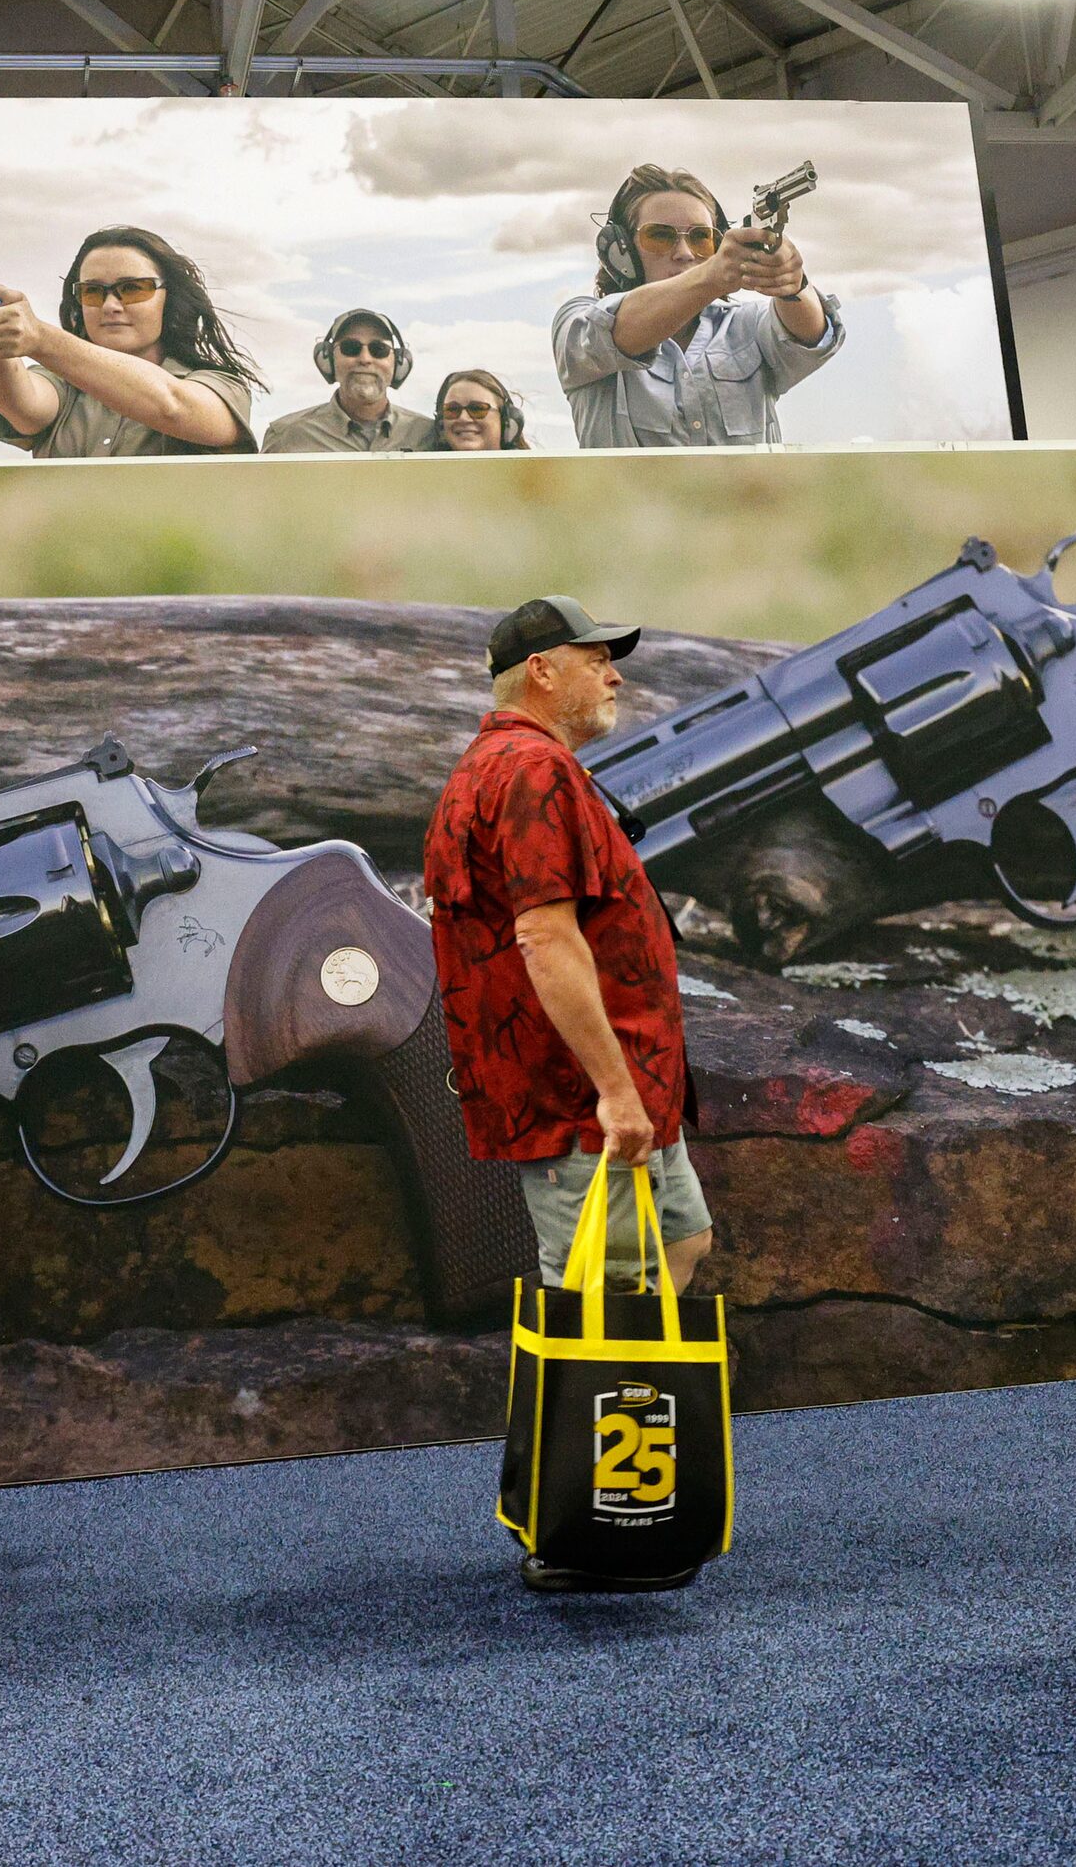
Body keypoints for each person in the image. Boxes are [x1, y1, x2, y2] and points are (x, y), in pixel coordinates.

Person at [421, 596, 715, 1592]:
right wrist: (614, 1092)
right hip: (588, 1102)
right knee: (607, 1299)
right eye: (599, 659)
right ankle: (594, 1529)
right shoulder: (534, 772)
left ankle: (608, 1482)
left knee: (676, 1248)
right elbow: (546, 939)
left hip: (601, 1097)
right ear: (544, 670)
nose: (616, 677)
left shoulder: (495, 767)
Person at [552, 163, 841, 449]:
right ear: (621, 249)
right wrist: (712, 276)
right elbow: (614, 332)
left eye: (701, 238)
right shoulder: (576, 321)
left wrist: (792, 282)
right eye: (660, 236)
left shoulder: (745, 326)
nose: (685, 253)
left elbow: (812, 337)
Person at [0, 225, 262, 459]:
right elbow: (20, 406)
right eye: (93, 291)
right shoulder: (61, 384)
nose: (110, 305)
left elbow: (173, 406)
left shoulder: (220, 385)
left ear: (169, 299)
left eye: (133, 289)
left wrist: (40, 337)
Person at [262, 309, 433, 454]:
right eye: (350, 348)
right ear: (327, 360)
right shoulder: (286, 435)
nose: (365, 359)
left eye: (379, 349)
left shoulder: (428, 435)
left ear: (399, 362)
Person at [425, 369, 530, 452]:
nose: (463, 418)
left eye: (477, 409)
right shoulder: (419, 476)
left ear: (506, 421)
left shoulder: (534, 476)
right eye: (452, 409)